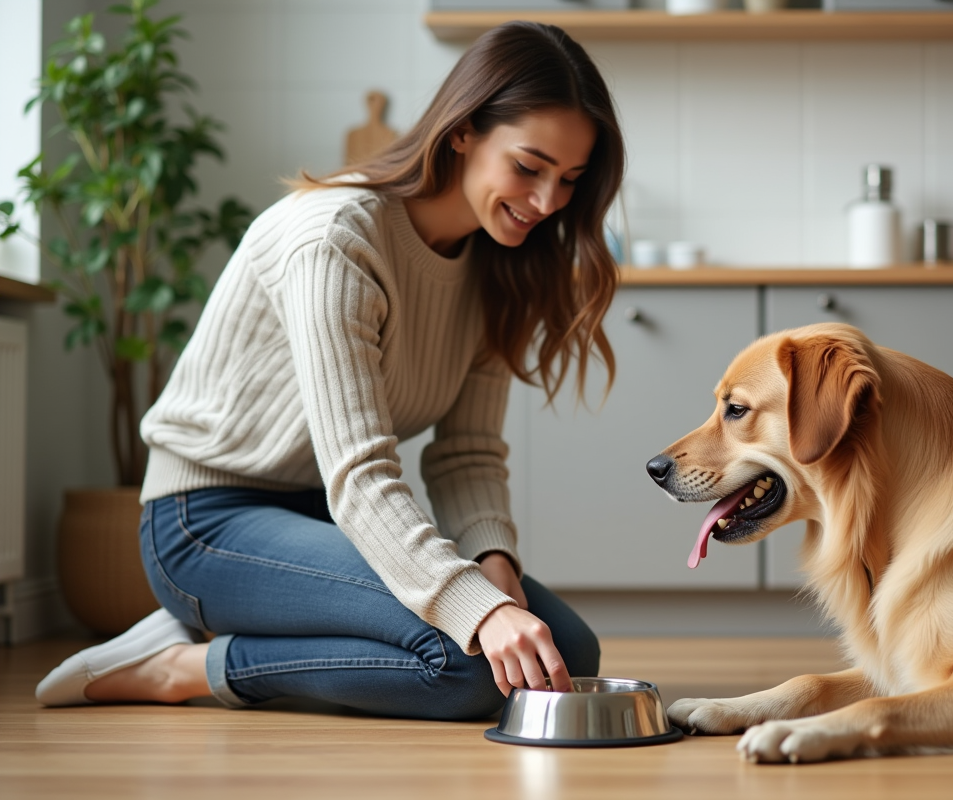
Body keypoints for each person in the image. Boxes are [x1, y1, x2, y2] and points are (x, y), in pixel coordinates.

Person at [36, 21, 625, 720]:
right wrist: (479, 612)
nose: (549, 202)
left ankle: (246, 628)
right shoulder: (336, 237)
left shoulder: (502, 265)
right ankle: (178, 665)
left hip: (321, 516)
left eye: (570, 180)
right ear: (463, 130)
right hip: (204, 521)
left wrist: (495, 570)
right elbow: (360, 475)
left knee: (565, 654)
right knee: (471, 666)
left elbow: (466, 455)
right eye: (529, 167)